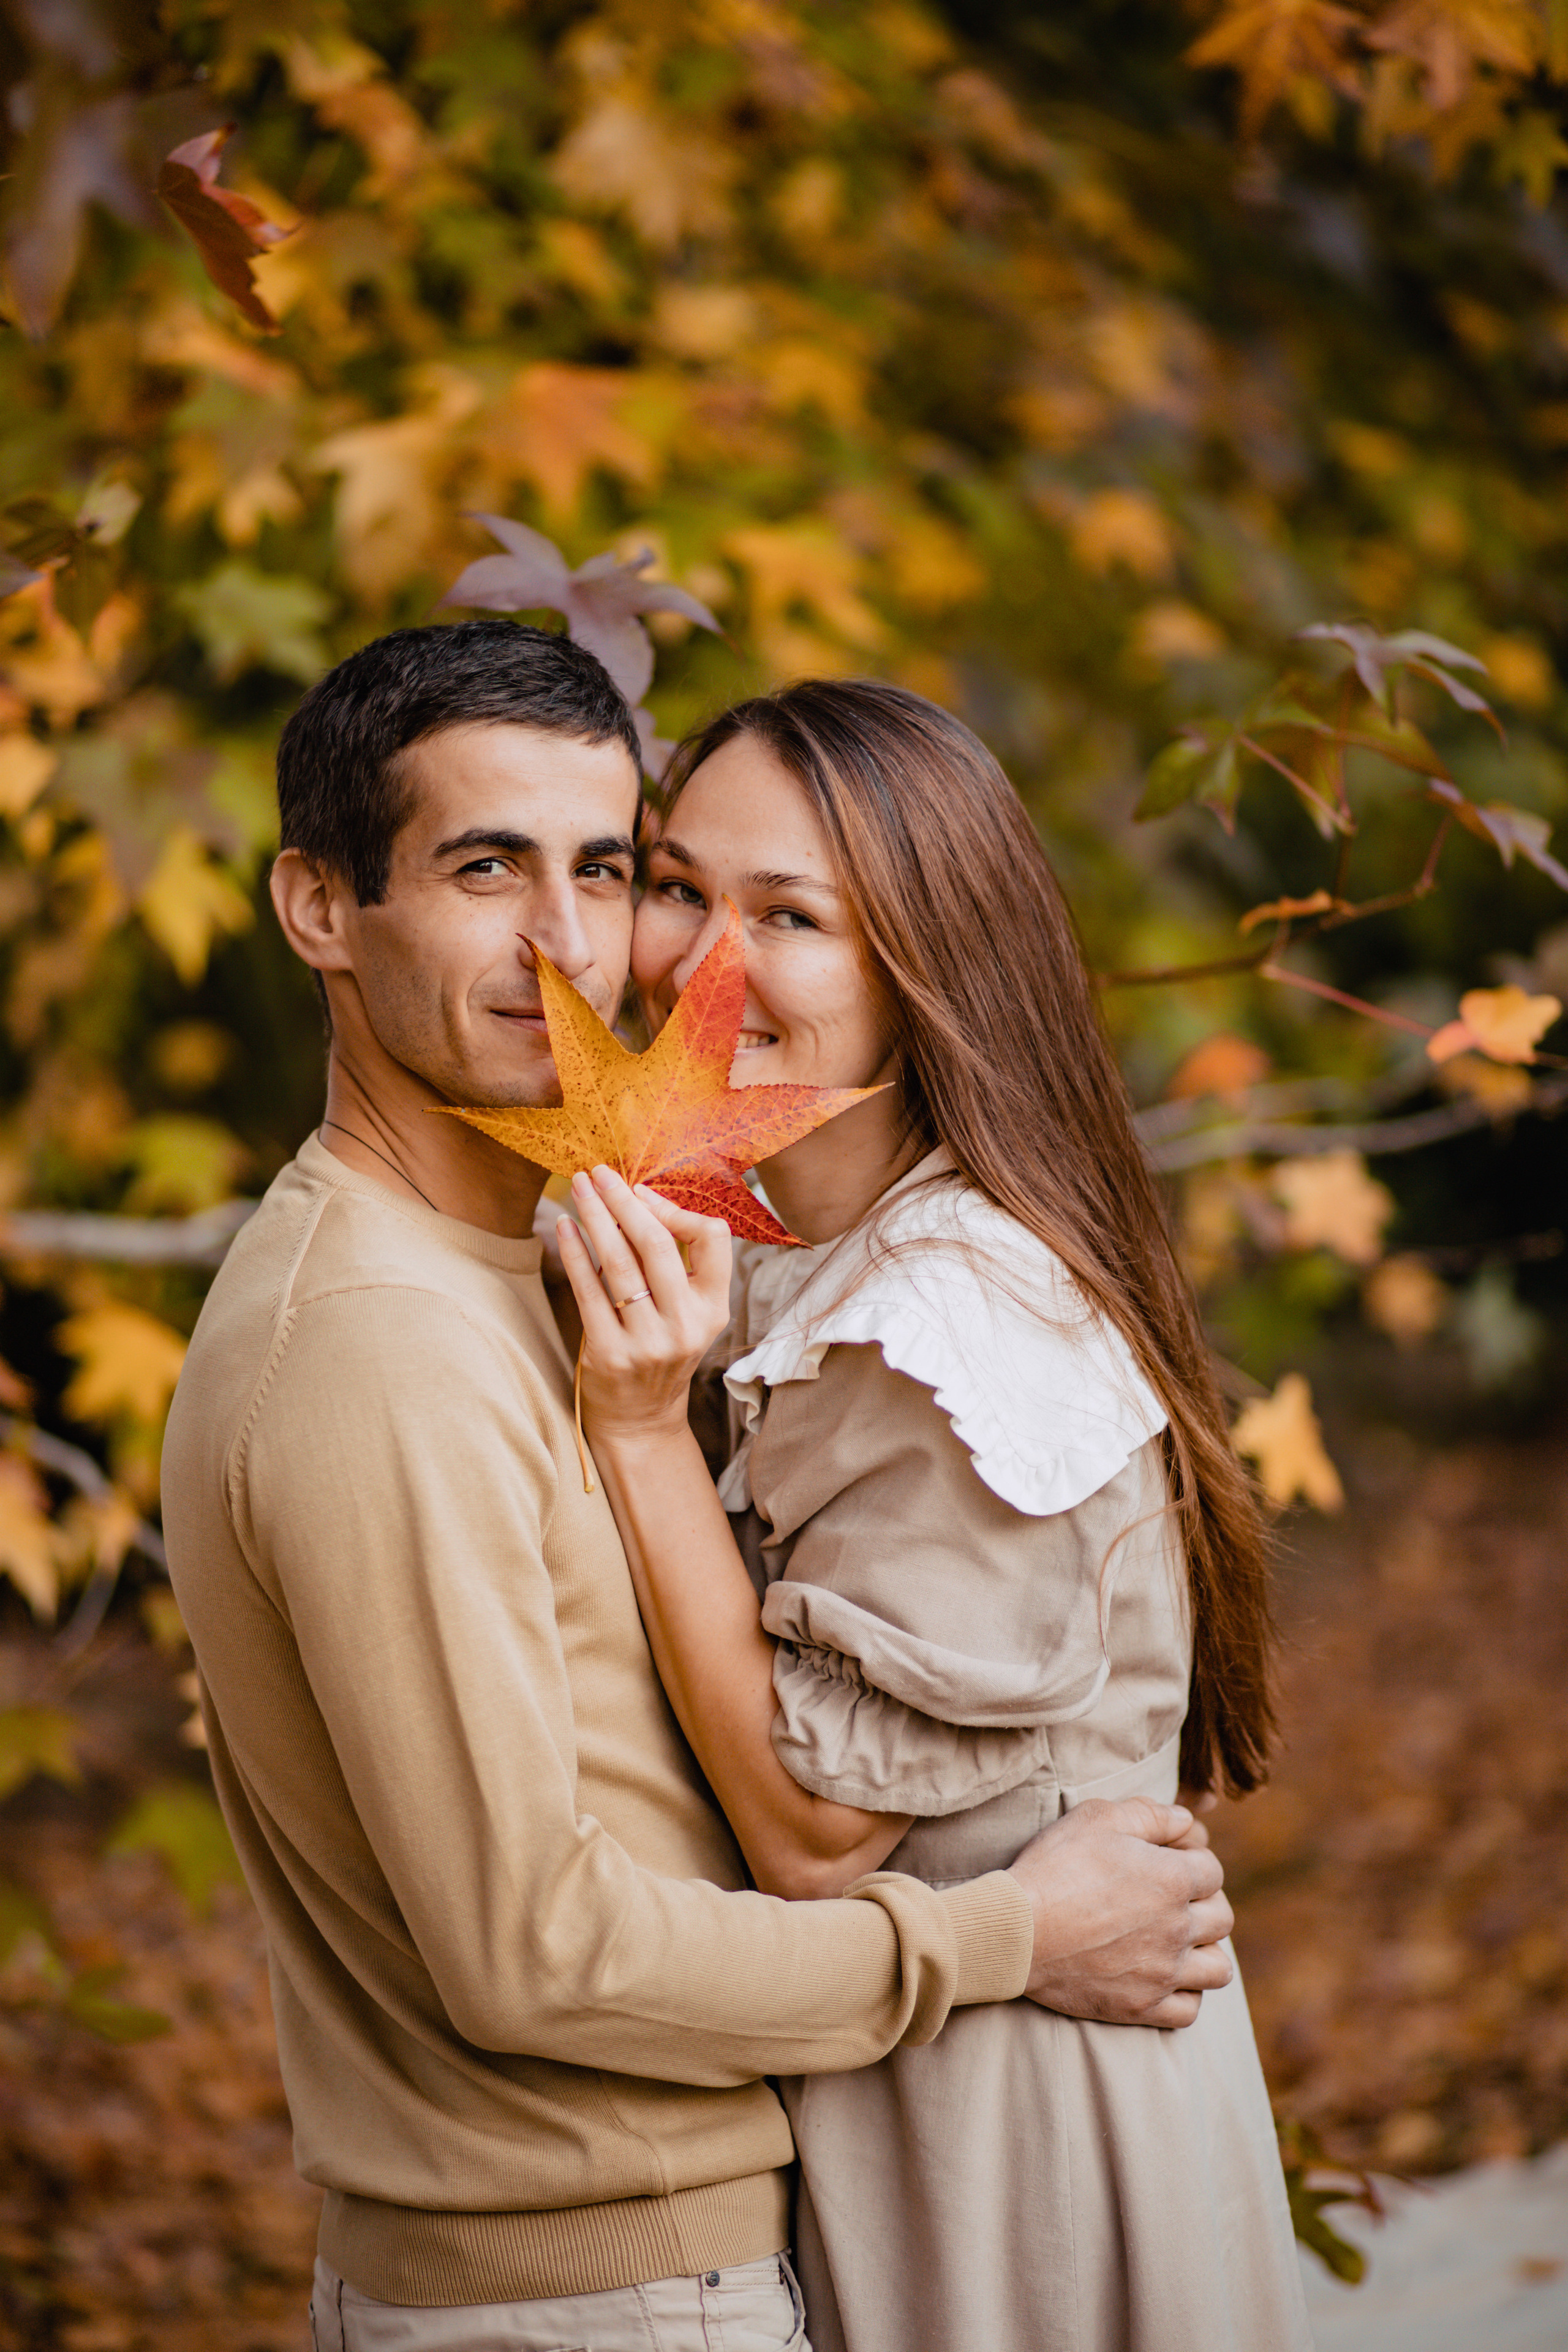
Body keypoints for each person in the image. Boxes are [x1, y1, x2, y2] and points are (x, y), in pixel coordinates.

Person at [160, 623, 1235, 2352]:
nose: (576, 947)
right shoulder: (386, 1344)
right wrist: (1009, 1938)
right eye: (486, 868)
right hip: (598, 2275)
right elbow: (538, 1949)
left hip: (750, 2222)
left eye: (605, 870)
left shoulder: (597, 1279)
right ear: (319, 907)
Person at [556, 677, 1314, 2352]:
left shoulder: (947, 1322)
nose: (703, 965)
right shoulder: (774, 1252)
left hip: (1010, 2139)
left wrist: (639, 1428)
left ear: (926, 968)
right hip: (890, 2068)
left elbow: (818, 1839)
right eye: (676, 886)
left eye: (791, 917)